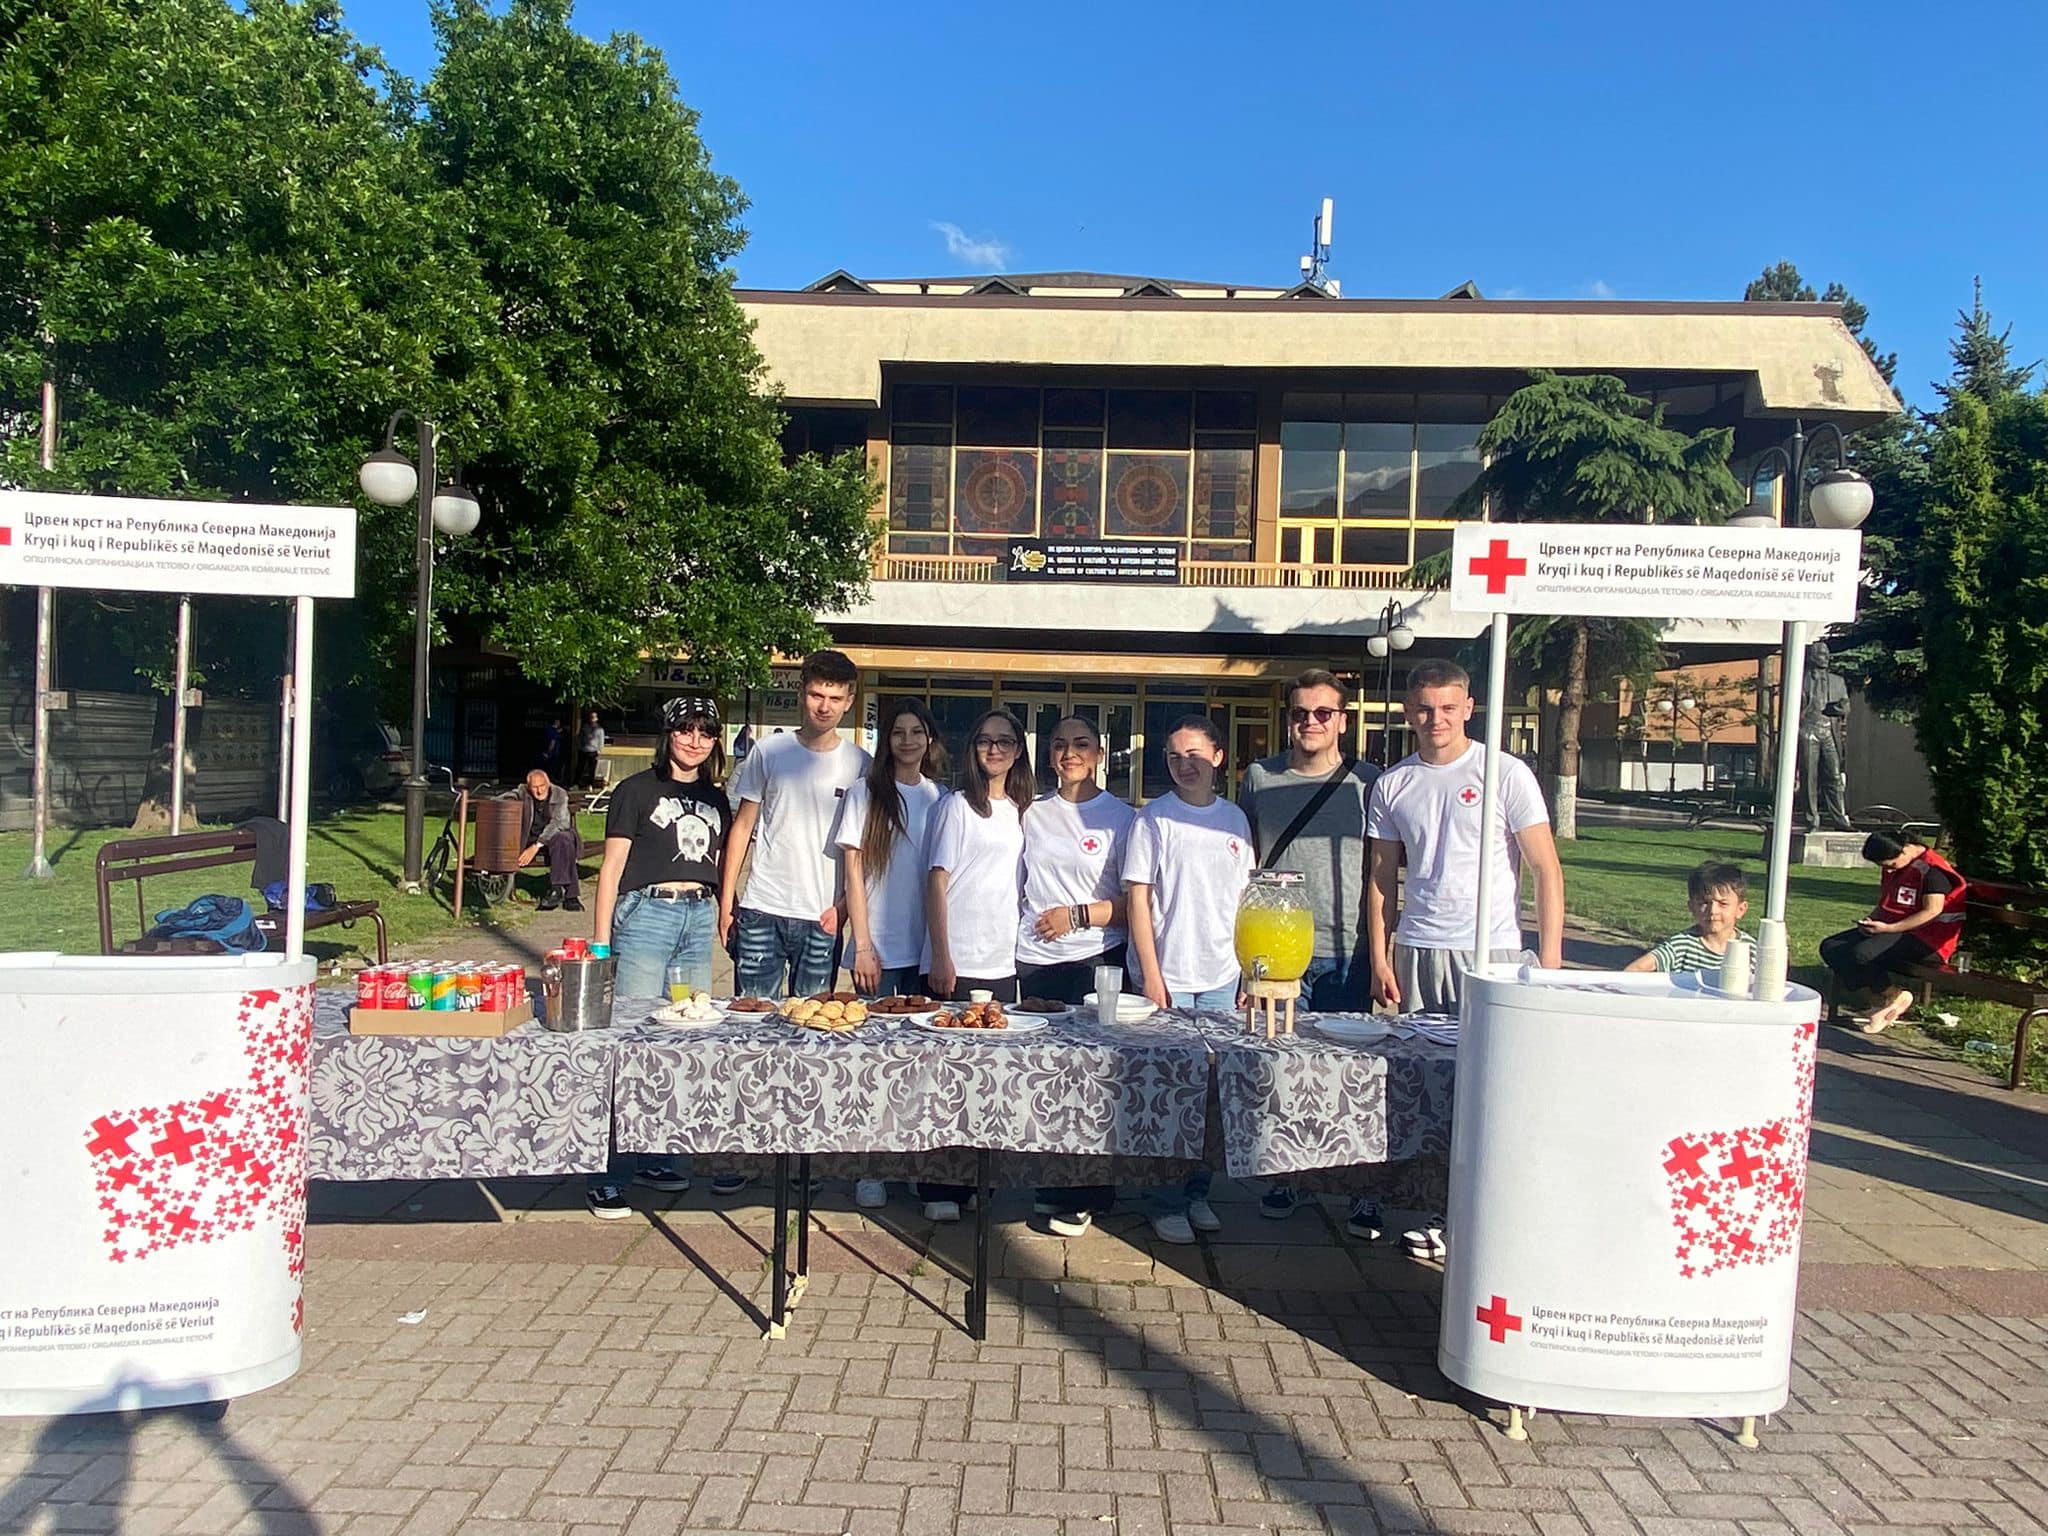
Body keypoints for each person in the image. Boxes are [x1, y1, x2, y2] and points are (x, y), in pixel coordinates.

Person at [1238, 670, 1382, 1231]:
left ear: (1342, 721)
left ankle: (1359, 1187)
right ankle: (1289, 1175)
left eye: (1324, 713)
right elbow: (1246, 861)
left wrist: (1382, 954)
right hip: (1279, 952)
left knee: (1352, 1076)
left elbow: (1383, 869)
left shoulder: (1368, 782)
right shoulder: (1260, 777)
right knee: (1284, 1070)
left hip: (1348, 949)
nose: (1311, 723)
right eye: (1301, 713)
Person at [585, 695, 731, 1218]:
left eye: (706, 733)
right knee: (632, 1035)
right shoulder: (636, 791)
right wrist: (600, 940)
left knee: (685, 1035)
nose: (695, 741)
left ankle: (657, 1154)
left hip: (697, 917)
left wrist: (724, 913)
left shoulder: (717, 799)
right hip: (647, 914)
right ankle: (608, 1173)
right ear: (667, 734)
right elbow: (611, 868)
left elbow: (724, 862)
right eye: (686, 730)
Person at [1366, 659, 1565, 1014]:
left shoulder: (1505, 773)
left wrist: (1550, 961)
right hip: (1418, 944)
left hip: (1489, 946)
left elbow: (1545, 868)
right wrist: (1379, 959)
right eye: (1425, 709)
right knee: (1422, 1048)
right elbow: (1382, 877)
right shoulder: (1391, 784)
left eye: (1448, 708)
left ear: (1468, 709)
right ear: (1408, 712)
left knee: (1490, 1049)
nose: (1436, 719)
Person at [1124, 715, 1253, 1244]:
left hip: (1221, 975)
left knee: (1212, 1096)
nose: (1185, 765)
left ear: (1218, 757)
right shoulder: (1153, 819)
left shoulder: (1235, 820)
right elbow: (1138, 900)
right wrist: (1151, 975)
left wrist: (1247, 972)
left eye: (1195, 755)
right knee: (1168, 1093)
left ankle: (1198, 1191)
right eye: (1175, 756)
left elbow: (1246, 901)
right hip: (1169, 976)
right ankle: (1165, 1200)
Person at [1017, 715, 1137, 1240]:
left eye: (1081, 744)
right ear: (1049, 755)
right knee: (1047, 1076)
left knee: (1094, 1077)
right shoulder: (1031, 813)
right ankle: (1052, 1180)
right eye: (1060, 745)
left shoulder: (1122, 818)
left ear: (1100, 753)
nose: (1070, 753)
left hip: (1097, 960)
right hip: (1036, 962)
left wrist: (1078, 916)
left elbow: (1136, 903)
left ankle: (1088, 1189)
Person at [917, 706, 1030, 1222]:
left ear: (1018, 750)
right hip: (956, 958)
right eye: (985, 740)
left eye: (1004, 741)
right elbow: (936, 879)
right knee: (944, 1077)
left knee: (989, 1080)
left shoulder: (1021, 810)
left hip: (1000, 959)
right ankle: (939, 1184)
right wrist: (941, 954)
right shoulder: (956, 806)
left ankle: (979, 1178)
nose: (994, 749)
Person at [835, 698, 947, 1211]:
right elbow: (854, 872)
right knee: (872, 1063)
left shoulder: (940, 798)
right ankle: (871, 1166)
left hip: (923, 951)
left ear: (929, 739)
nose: (907, 741)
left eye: (916, 732)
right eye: (898, 732)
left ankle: (917, 1165)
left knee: (921, 1064)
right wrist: (862, 944)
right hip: (877, 949)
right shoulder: (866, 793)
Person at [719, 650, 870, 1001]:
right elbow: (742, 828)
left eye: (835, 698)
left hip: (822, 915)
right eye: (817, 695)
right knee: (752, 1018)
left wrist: (844, 909)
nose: (825, 706)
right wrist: (727, 903)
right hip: (763, 907)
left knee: (813, 1022)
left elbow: (864, 850)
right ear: (802, 692)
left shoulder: (861, 764)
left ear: (849, 702)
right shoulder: (769, 751)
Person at [1820, 832, 1967, 1034]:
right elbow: (1888, 902)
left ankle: (1892, 998)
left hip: (1928, 940)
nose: (1888, 870)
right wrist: (1871, 920)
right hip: (1895, 930)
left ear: (1904, 850)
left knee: (1861, 954)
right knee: (1832, 947)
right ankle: (1884, 999)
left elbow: (1932, 911)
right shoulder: (1899, 867)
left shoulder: (1934, 871)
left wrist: (1889, 928)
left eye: (1891, 865)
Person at [1625, 862, 1750, 975]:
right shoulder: (1681, 946)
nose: (1713, 910)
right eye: (1704, 903)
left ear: (1740, 909)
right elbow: (1636, 969)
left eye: (1723, 904)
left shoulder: (1750, 950)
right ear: (1692, 907)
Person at [512, 769, 583, 913]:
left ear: (548, 783)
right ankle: (571, 897)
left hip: (554, 837)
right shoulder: (522, 792)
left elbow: (559, 823)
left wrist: (536, 846)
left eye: (542, 786)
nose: (539, 791)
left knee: (563, 840)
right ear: (528, 787)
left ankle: (556, 889)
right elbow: (502, 798)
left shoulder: (559, 794)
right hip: (531, 838)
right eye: (535, 787)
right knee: (565, 846)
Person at [575, 709, 606, 789]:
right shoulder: (585, 727)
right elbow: (580, 737)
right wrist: (580, 747)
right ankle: (577, 783)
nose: (592, 719)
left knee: (592, 769)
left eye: (594, 717)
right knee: (580, 768)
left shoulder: (600, 729)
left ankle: (590, 784)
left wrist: (599, 750)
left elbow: (601, 740)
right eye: (591, 717)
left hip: (593, 751)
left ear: (596, 718)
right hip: (584, 750)